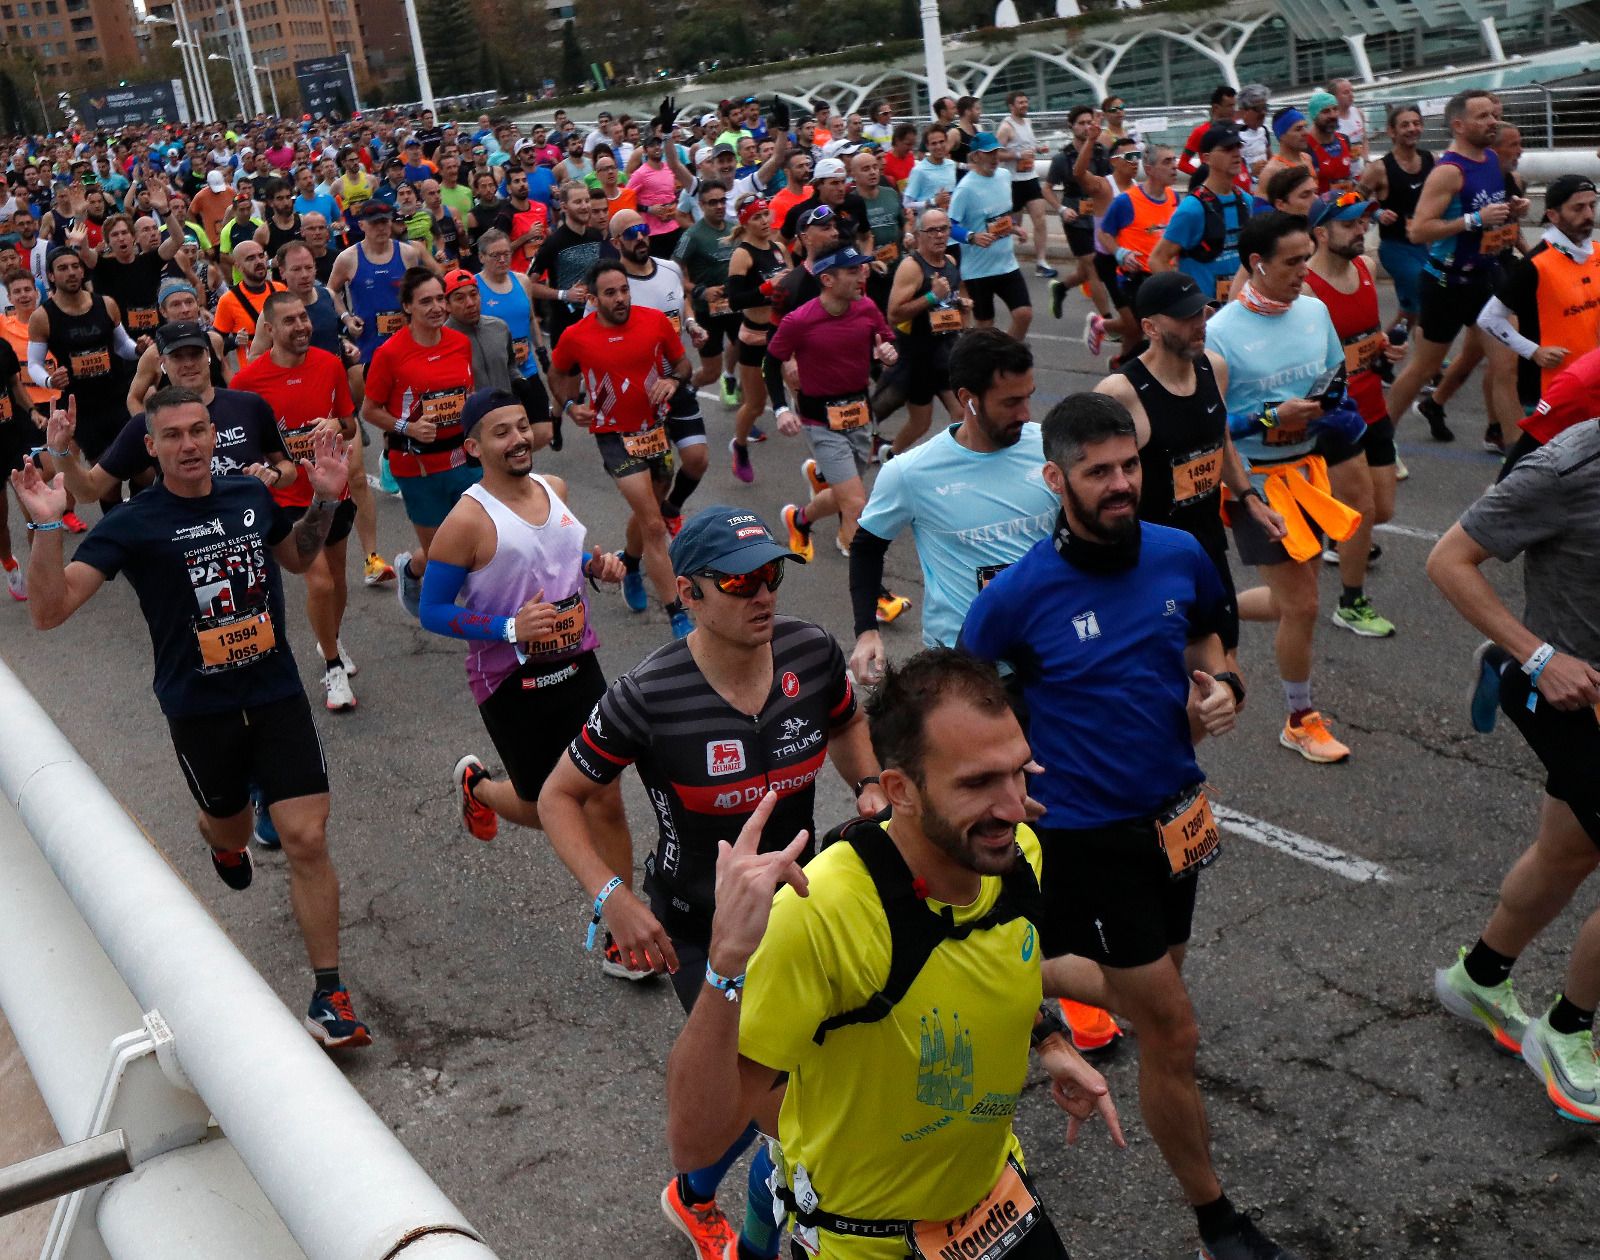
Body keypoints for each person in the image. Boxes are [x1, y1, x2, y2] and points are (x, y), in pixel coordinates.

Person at [960, 393, 1298, 1260]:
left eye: (1128, 467)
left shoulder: (1182, 554)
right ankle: (1215, 1218)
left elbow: (1212, 640)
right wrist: (1007, 778)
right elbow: (963, 699)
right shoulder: (1020, 594)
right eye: (1098, 471)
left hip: (1176, 816)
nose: (1119, 485)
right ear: (1056, 479)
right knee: (1173, 1029)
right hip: (1085, 833)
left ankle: (1018, 968)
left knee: (1159, 999)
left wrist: (1225, 688)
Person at [666, 648, 1126, 1260]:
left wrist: (1049, 1040)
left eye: (1018, 773)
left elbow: (984, 958)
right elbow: (696, 1143)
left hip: (998, 1206)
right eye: (978, 783)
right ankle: (767, 1199)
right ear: (900, 790)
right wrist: (725, 962)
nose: (1014, 807)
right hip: (868, 1243)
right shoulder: (817, 912)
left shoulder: (1017, 858)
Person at [538, 504, 886, 1260]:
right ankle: (734, 1219)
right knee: (775, 1105)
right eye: (739, 582)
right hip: (699, 930)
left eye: (772, 576)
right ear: (689, 594)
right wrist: (612, 898)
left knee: (795, 1099)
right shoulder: (647, 694)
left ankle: (696, 1194)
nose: (763, 595)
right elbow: (556, 796)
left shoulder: (811, 653)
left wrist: (867, 787)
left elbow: (847, 720)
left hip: (802, 914)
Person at [12, 389, 372, 1050]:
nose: (188, 444)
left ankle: (330, 995)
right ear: (150, 447)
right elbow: (49, 611)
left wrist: (326, 497)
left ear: (214, 436)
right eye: (172, 435)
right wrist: (45, 529)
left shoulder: (249, 496)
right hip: (198, 709)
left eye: (199, 431)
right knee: (229, 820)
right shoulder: (134, 523)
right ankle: (221, 838)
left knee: (307, 835)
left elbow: (294, 559)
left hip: (274, 693)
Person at [1427, 418, 1600, 1124]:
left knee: (1568, 849)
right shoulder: (1568, 467)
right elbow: (1447, 560)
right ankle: (1567, 1031)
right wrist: (1538, 656)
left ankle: (1479, 978)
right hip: (1574, 691)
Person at [416, 388, 631, 857]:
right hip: (510, 680)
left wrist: (597, 568)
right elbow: (431, 609)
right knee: (547, 808)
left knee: (607, 799)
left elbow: (561, 559)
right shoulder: (466, 522)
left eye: (521, 427)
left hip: (578, 662)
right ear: (473, 448)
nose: (518, 439)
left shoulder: (554, 488)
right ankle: (481, 790)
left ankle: (620, 927)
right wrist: (509, 628)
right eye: (501, 433)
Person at [1205, 211, 1366, 763]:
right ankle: (1300, 720)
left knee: (1288, 600)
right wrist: (1275, 417)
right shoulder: (1221, 332)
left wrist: (1329, 409)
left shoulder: (1315, 311)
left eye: (1307, 257)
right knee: (1302, 605)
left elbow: (1335, 382)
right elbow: (1214, 424)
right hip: (1252, 483)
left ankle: (1208, 609)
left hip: (1309, 473)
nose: (1305, 271)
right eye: (1293, 262)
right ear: (1257, 264)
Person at [1094, 270, 1282, 670]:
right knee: (1176, 679)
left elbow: (1221, 441)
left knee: (1226, 670)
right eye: (1186, 317)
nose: (1201, 323)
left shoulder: (1213, 367)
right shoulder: (1120, 393)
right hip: (1149, 559)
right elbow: (1085, 480)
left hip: (1207, 547)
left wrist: (1249, 497)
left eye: (1202, 312)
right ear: (1150, 328)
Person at [548, 258, 694, 639]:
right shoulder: (576, 335)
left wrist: (674, 383)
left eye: (624, 290)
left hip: (654, 430)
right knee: (652, 522)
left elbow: (682, 364)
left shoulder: (654, 321)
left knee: (652, 509)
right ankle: (677, 615)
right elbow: (557, 373)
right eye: (610, 293)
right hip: (612, 434)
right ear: (594, 299)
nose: (620, 298)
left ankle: (629, 561)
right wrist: (568, 406)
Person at [231, 292, 363, 711]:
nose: (302, 326)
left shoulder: (328, 364)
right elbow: (242, 444)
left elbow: (348, 420)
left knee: (338, 583)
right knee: (319, 580)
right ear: (269, 330)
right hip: (286, 497)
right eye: (289, 321)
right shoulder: (247, 383)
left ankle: (331, 636)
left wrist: (336, 425)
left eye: (303, 317)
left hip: (331, 493)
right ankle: (332, 668)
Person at [1384, 89, 1527, 443]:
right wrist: (1473, 219)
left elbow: (1489, 212)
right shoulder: (1448, 171)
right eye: (1483, 117)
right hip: (1446, 284)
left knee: (1507, 367)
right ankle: (1378, 442)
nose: (1493, 121)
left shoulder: (1492, 160)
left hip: (1487, 278)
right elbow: (1418, 230)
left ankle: (1519, 461)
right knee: (1423, 369)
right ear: (1459, 125)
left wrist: (1511, 210)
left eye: (1493, 115)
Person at [768, 247, 904, 572]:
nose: (862, 276)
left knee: (846, 492)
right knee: (857, 504)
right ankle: (876, 593)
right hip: (820, 421)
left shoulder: (867, 308)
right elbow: (771, 364)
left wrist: (889, 352)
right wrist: (780, 410)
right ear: (827, 279)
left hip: (860, 415)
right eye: (853, 271)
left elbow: (888, 340)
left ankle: (799, 519)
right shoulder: (799, 321)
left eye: (862, 269)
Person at [1303, 193, 1400, 638]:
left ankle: (1326, 523)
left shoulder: (1365, 269)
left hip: (1373, 405)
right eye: (1349, 224)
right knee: (1360, 508)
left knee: (1381, 508)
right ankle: (1352, 603)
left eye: (1363, 222)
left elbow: (1366, 335)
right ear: (1321, 233)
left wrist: (1384, 348)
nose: (1362, 230)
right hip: (1335, 416)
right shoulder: (1305, 289)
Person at [361, 267, 479, 616]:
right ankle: (410, 570)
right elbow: (370, 409)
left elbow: (466, 394)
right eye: (425, 301)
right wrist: (408, 428)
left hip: (462, 459)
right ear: (408, 308)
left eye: (440, 299)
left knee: (476, 540)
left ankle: (486, 620)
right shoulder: (391, 353)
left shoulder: (460, 343)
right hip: (417, 466)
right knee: (443, 553)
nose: (436, 307)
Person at [1475, 175, 1600, 447]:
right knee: (1532, 476)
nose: (1589, 215)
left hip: (1591, 384)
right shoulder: (1535, 265)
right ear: (1553, 215)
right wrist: (1534, 351)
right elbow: (1489, 319)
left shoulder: (1596, 254)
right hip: (1549, 392)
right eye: (1578, 208)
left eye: (1592, 205)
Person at [607, 210, 710, 536]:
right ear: (616, 242)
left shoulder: (670, 269)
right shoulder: (613, 285)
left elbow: (683, 303)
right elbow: (593, 331)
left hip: (675, 378)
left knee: (697, 459)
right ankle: (635, 559)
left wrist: (691, 323)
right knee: (654, 487)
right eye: (630, 233)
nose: (639, 237)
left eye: (642, 229)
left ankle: (672, 509)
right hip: (639, 393)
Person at [29, 244, 139, 511]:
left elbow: (123, 346)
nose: (71, 273)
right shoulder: (43, 316)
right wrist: (49, 381)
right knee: (108, 482)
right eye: (63, 268)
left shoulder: (106, 304)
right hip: (84, 411)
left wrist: (140, 350)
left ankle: (141, 518)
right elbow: (33, 364)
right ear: (51, 276)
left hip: (117, 399)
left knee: (142, 470)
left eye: (76, 266)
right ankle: (116, 532)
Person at [874, 206, 971, 455]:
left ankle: (897, 455)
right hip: (915, 357)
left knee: (960, 413)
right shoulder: (912, 267)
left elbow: (951, 303)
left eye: (944, 229)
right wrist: (931, 296)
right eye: (933, 230)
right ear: (919, 234)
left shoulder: (950, 261)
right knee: (899, 417)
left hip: (944, 352)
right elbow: (893, 314)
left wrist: (962, 306)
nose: (940, 235)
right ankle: (851, 450)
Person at [724, 194, 791, 482]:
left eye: (765, 215)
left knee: (800, 385)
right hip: (754, 336)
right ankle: (739, 446)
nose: (764, 221)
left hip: (782, 331)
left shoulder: (777, 248)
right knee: (754, 403)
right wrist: (767, 287)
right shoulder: (743, 253)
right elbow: (735, 300)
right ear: (745, 222)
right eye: (756, 217)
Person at [329, 200, 436, 371]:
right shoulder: (347, 258)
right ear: (361, 225)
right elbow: (331, 291)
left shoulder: (407, 253)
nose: (381, 228)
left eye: (385, 222)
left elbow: (418, 292)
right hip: (369, 344)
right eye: (374, 223)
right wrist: (347, 319)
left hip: (406, 342)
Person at [1358, 104, 1434, 339]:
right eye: (1405, 125)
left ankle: (1382, 354)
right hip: (1396, 249)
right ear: (1391, 132)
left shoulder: (1430, 160)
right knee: (1425, 298)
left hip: (1425, 247)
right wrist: (1376, 213)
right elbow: (1352, 202)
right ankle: (1433, 363)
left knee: (1410, 311)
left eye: (1416, 123)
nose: (1412, 129)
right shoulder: (1379, 168)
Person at [1152, 127, 1253, 305]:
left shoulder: (1246, 201)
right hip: (1205, 315)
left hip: (1241, 308)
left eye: (1238, 147)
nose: (1236, 154)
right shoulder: (1192, 209)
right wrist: (1184, 302)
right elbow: (1157, 259)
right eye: (1227, 149)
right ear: (1206, 158)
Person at [947, 132, 1032, 340]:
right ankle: (985, 362)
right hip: (978, 270)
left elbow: (1000, 215)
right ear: (976, 156)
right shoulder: (966, 188)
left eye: (997, 152)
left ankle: (1006, 353)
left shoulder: (1004, 176)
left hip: (1006, 263)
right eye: (989, 153)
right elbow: (949, 225)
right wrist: (972, 236)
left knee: (1024, 314)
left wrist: (1014, 227)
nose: (995, 158)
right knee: (985, 326)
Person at [1045, 107, 1117, 340]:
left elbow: (1111, 182)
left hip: (1098, 218)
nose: (1086, 126)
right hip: (1075, 220)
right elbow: (1046, 187)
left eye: (1089, 122)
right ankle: (1107, 322)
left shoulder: (1101, 153)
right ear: (1071, 127)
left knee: (1086, 271)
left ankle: (1061, 287)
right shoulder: (1062, 158)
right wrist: (1062, 209)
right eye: (1081, 123)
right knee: (1094, 268)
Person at [674, 179, 740, 406]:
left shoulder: (734, 229)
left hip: (735, 306)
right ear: (701, 205)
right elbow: (674, 272)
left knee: (745, 343)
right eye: (713, 202)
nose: (719, 206)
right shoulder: (693, 235)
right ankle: (687, 386)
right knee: (711, 372)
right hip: (708, 312)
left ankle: (730, 377)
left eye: (723, 201)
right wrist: (700, 291)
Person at [995, 90, 1057, 279]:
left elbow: (1027, 145)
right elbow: (996, 154)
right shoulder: (1006, 127)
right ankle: (1002, 261)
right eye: (1020, 102)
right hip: (1012, 182)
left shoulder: (1028, 122)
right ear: (1011, 106)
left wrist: (1038, 148)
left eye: (1026, 101)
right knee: (1009, 226)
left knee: (1040, 220)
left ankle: (1041, 262)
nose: (1024, 105)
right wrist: (1018, 155)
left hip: (1030, 179)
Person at [211, 239, 285, 367]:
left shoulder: (281, 289)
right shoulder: (228, 300)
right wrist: (234, 341)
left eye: (261, 256)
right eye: (250, 258)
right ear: (238, 267)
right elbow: (215, 343)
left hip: (287, 365)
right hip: (255, 373)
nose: (259, 261)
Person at [1303, 91, 1355, 195]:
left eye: (1335, 109)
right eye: (1326, 111)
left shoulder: (1344, 139)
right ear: (1314, 116)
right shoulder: (1305, 147)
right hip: (1322, 208)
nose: (1333, 115)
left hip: (1347, 202)